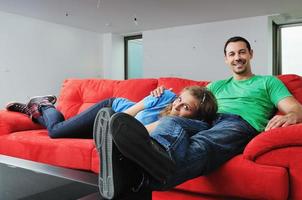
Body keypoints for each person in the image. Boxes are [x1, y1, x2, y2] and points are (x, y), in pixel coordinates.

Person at [96, 36, 302, 199]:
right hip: (206, 120)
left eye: (241, 52)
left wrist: (292, 114)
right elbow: (189, 101)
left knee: (203, 144)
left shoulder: (268, 82)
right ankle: (146, 158)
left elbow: (295, 108)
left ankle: (143, 174)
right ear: (226, 59)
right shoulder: (216, 85)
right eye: (232, 54)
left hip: (238, 122)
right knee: (172, 121)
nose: (237, 57)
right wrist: (162, 97)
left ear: (250, 54)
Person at [5, 86, 217, 139]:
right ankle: (45, 105)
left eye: (186, 108)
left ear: (196, 117)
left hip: (111, 129)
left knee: (65, 128)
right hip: (112, 111)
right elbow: (127, 117)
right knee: (56, 131)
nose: (177, 107)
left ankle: (30, 110)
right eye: (180, 100)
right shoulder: (164, 96)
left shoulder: (184, 127)